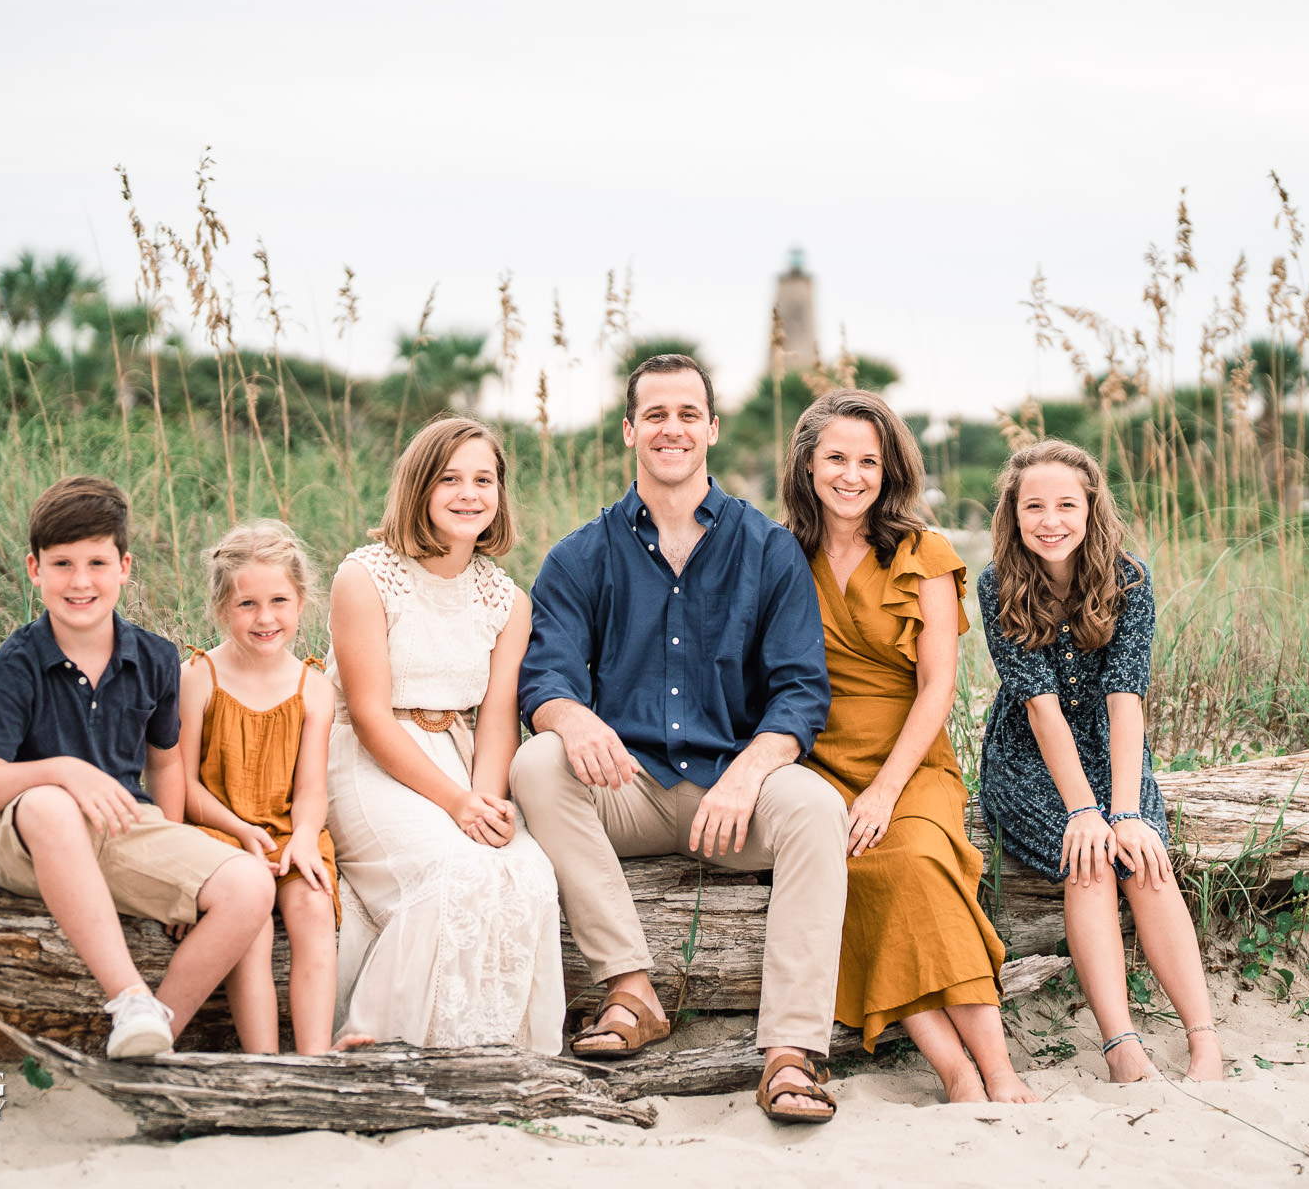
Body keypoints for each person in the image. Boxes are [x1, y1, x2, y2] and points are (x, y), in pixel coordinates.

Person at [511, 353, 848, 1124]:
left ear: (712, 429)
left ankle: (792, 1053)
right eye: (656, 415)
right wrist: (573, 717)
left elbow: (800, 692)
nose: (673, 429)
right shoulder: (579, 555)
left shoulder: (767, 549)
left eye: (688, 414)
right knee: (538, 761)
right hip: (626, 788)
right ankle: (632, 990)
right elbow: (545, 679)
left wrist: (748, 774)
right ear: (630, 430)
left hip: (736, 792)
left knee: (816, 809)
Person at [779, 388, 1038, 1104]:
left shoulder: (925, 553)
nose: (852, 475)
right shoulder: (780, 554)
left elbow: (937, 687)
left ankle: (999, 1070)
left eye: (868, 461)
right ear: (807, 465)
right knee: (854, 877)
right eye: (836, 458)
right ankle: (956, 1073)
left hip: (909, 759)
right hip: (818, 762)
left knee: (919, 861)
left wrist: (885, 792)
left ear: (890, 469)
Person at [0, 476, 275, 1058]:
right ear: (35, 570)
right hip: (24, 837)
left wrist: (179, 873)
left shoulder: (155, 657)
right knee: (53, 803)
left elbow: (165, 766)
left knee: (250, 883)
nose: (80, 582)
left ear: (125, 567)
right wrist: (64, 770)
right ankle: (129, 997)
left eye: (97, 563)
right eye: (62, 564)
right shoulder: (15, 663)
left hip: (121, 827)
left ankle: (154, 1036)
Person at [975, 439, 1224, 1082]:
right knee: (1087, 859)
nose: (1050, 520)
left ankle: (1204, 1042)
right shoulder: (998, 583)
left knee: (1144, 860)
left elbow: (1125, 699)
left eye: (1066, 505)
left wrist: (1125, 810)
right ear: (1013, 513)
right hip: (1028, 754)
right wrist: (1084, 812)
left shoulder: (1129, 578)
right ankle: (1122, 1048)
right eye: (1034, 506)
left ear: (1090, 509)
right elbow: (1039, 708)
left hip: (1111, 746)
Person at [323, 417, 564, 1054]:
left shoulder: (507, 601)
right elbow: (369, 716)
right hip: (371, 759)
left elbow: (497, 718)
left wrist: (484, 800)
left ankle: (497, 1051)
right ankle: (385, 1043)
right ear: (419, 487)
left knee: (527, 872)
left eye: (484, 480)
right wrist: (456, 804)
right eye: (450, 479)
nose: (469, 494)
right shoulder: (366, 577)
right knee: (455, 871)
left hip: (462, 758)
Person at [176, 521, 349, 1055]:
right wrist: (239, 829)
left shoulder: (313, 687)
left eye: (279, 601)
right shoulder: (198, 676)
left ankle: (314, 1059)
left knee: (314, 907)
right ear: (221, 608)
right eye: (247, 604)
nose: (265, 617)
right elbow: (184, 786)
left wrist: (304, 837)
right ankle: (263, 1061)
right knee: (250, 921)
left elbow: (311, 790)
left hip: (287, 833)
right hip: (218, 834)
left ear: (301, 602)